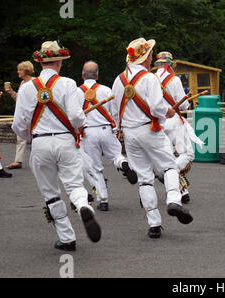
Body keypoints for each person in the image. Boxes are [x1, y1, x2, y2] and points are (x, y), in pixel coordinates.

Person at [12, 41, 102, 251]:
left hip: (41, 142)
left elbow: (18, 125)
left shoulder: (26, 88)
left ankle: (67, 237)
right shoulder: (68, 84)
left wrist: (33, 136)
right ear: (60, 61)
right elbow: (76, 116)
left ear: (40, 62)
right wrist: (80, 124)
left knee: (50, 193)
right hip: (64, 141)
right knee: (74, 185)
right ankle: (82, 206)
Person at [111, 38, 193, 239]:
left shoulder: (118, 80)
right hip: (151, 129)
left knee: (144, 179)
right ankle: (174, 199)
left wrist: (119, 130)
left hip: (130, 134)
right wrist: (169, 112)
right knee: (169, 167)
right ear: (146, 58)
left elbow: (114, 112)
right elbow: (157, 107)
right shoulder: (150, 79)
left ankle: (154, 224)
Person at [77, 61, 137, 212]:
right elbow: (115, 112)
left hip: (88, 132)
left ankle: (103, 200)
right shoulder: (106, 90)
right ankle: (123, 163)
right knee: (116, 155)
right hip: (106, 129)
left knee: (95, 168)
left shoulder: (76, 92)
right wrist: (116, 128)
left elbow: (73, 116)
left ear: (82, 75)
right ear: (97, 75)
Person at [154, 52, 203, 203]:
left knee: (167, 157)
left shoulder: (149, 80)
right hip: (173, 120)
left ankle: (183, 191)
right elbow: (183, 104)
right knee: (187, 154)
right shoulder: (174, 80)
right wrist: (187, 102)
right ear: (169, 64)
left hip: (157, 123)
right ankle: (170, 175)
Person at [4, 61, 35, 170]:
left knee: (36, 138)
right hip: (23, 114)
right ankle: (18, 161)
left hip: (33, 114)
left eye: (20, 69)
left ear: (26, 70)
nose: (18, 72)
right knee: (20, 138)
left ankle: (37, 160)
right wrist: (12, 92)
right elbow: (19, 100)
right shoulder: (22, 83)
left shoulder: (35, 82)